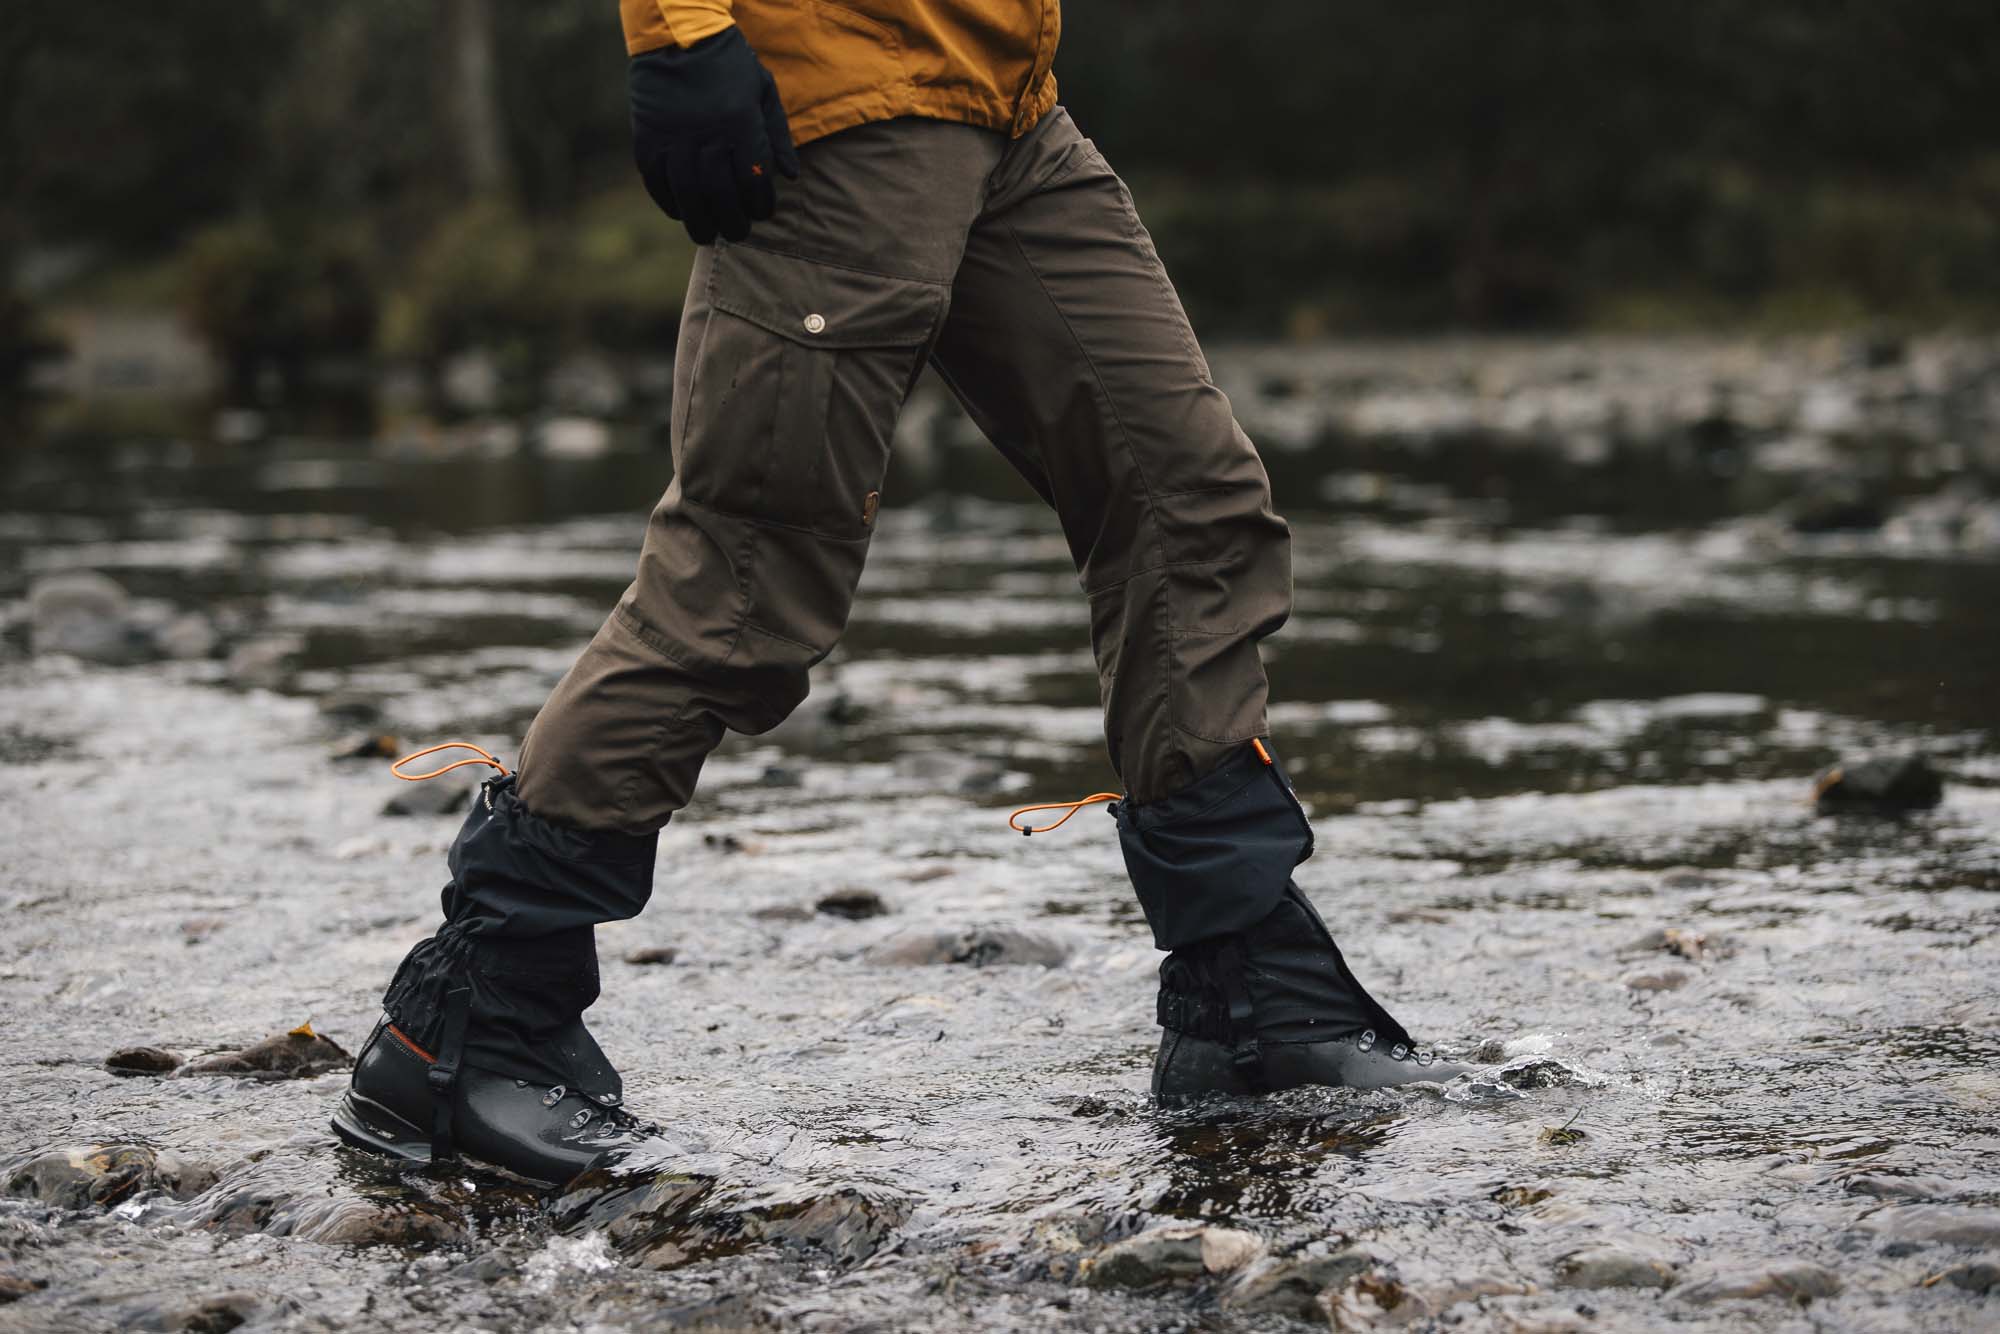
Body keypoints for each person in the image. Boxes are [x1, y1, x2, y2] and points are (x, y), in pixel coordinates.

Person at [331, 0, 1463, 1188]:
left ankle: (1247, 994)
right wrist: (681, 35)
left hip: (1006, 99)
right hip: (839, 100)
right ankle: (466, 1028)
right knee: (746, 583)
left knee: (1188, 502)